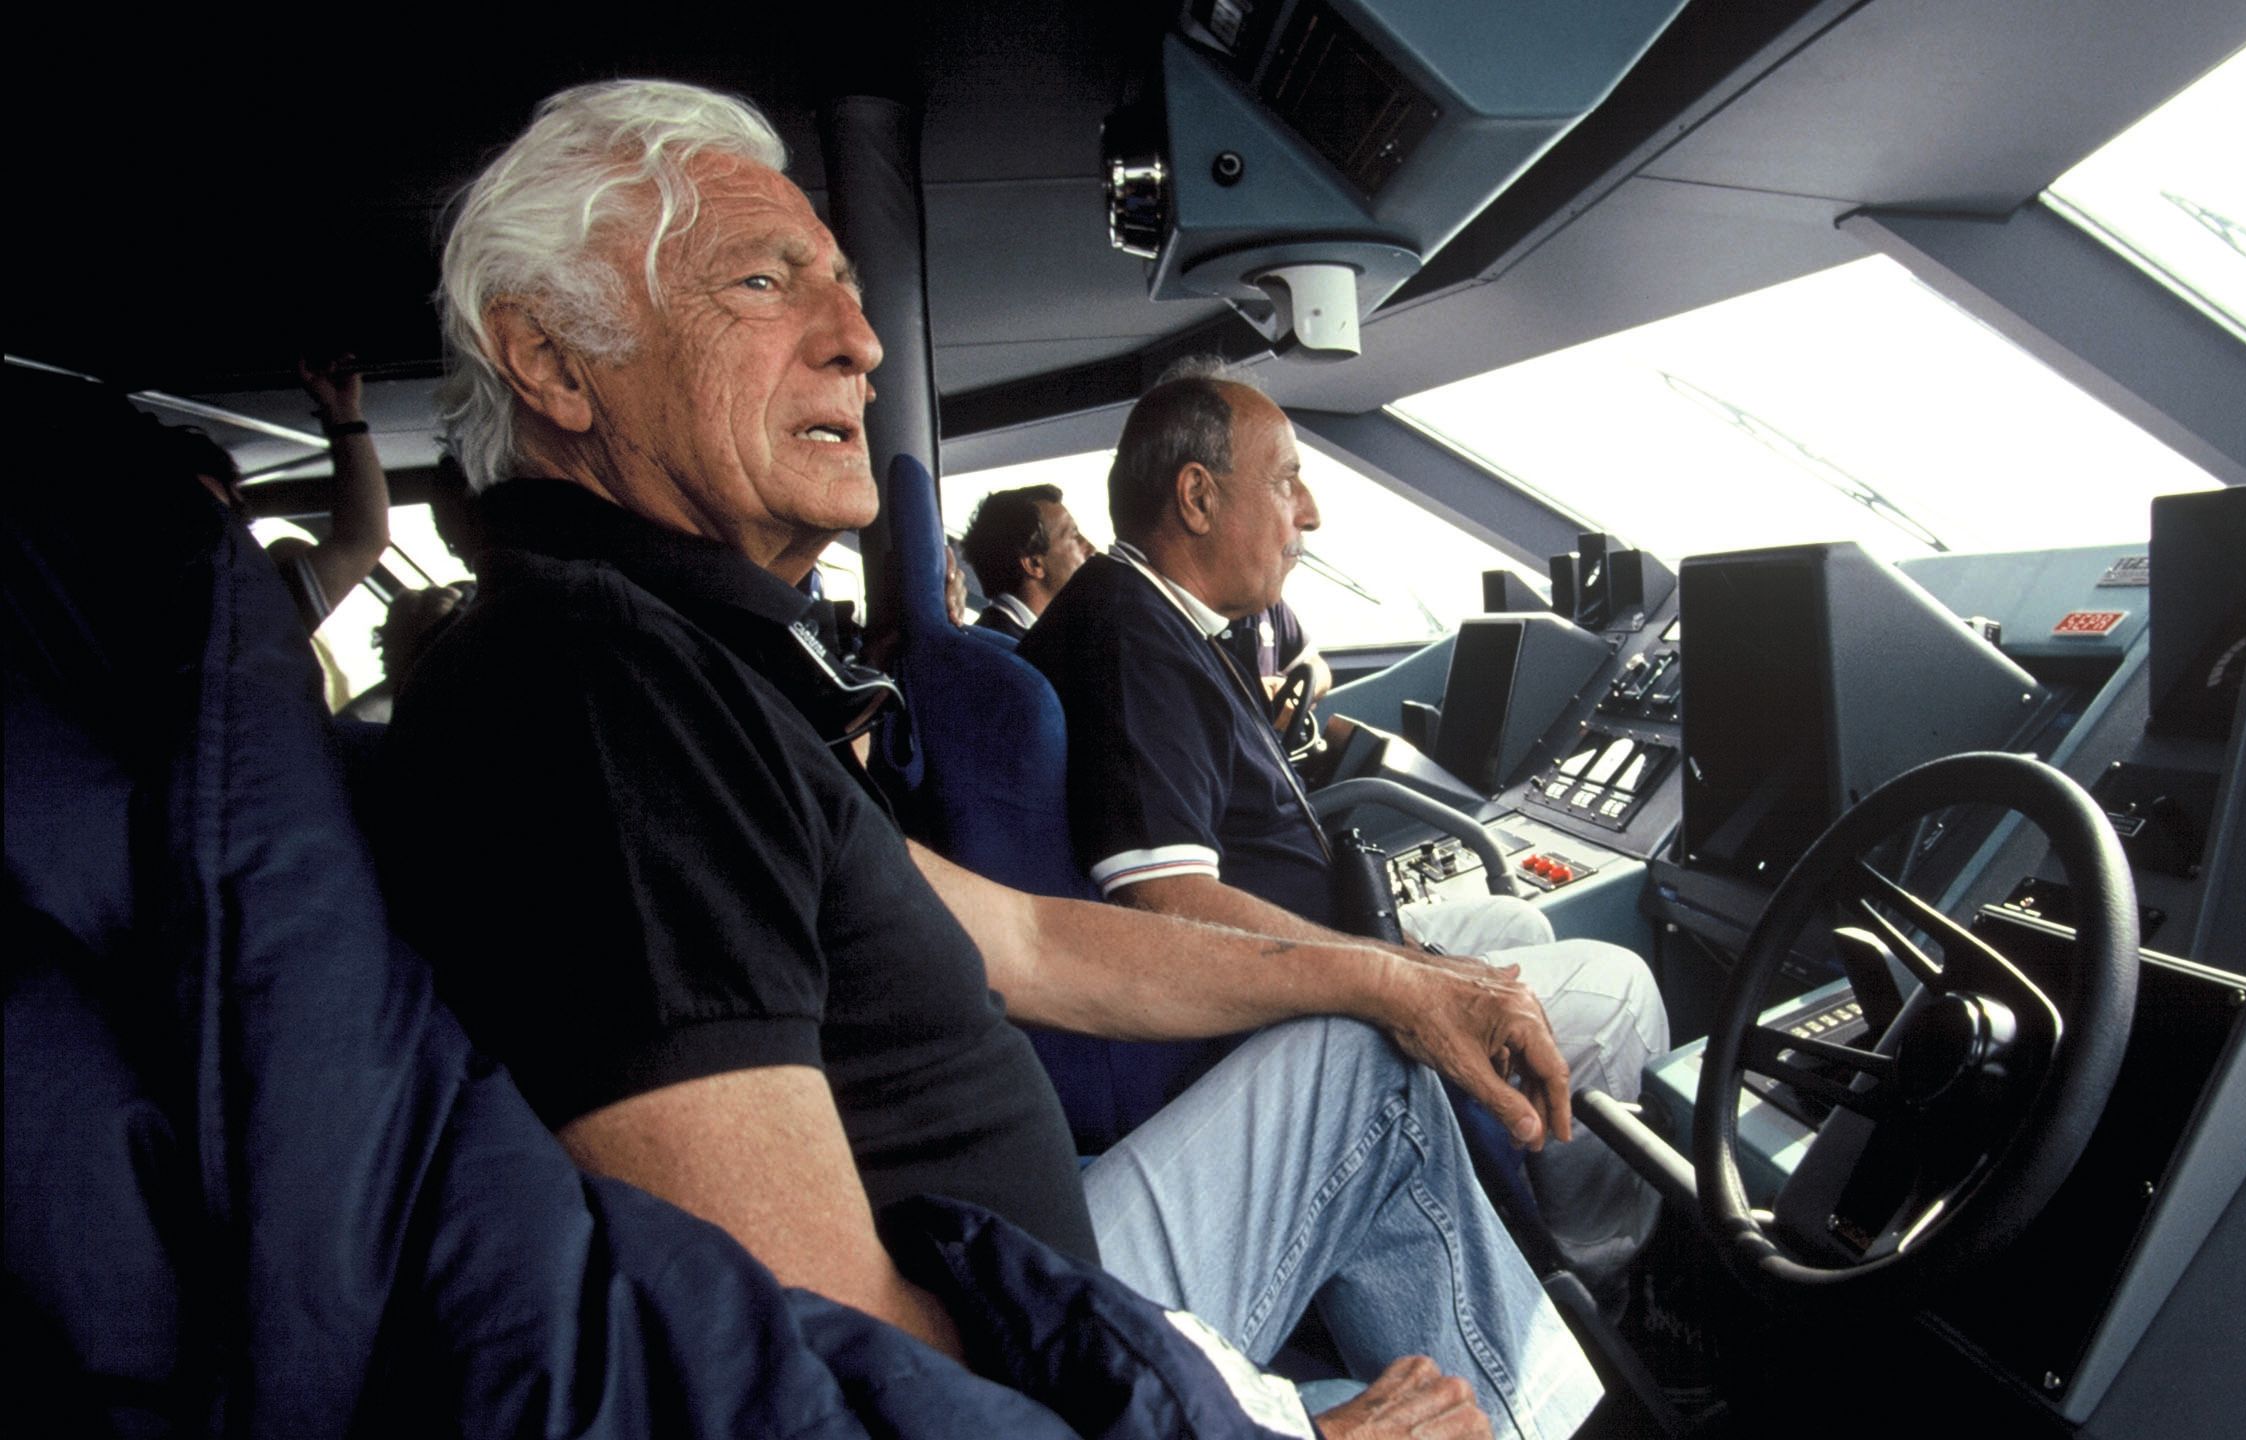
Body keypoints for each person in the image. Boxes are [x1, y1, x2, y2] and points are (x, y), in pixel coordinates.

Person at [379, 79, 1598, 1440]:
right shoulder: (598, 705)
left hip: (1029, 1303)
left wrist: (1392, 977)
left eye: (842, 289)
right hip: (1020, 1382)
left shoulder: (689, 674)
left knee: (1366, 1052)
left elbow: (1030, 944)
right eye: (763, 283)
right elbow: (809, 1365)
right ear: (551, 363)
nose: (857, 345)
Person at [1019, 363, 1669, 1279]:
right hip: (1266, 1008)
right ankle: (1595, 1260)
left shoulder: (1159, 620)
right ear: (1198, 498)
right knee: (1621, 987)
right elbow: (1166, 906)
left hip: (1310, 937)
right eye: (1287, 479)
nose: (1311, 512)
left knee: (1515, 921)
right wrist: (1393, 978)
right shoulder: (1129, 642)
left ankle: (1522, 1189)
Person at [169, 353, 393, 635]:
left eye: (207, 513)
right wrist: (343, 414)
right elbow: (363, 540)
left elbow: (363, 540)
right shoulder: (245, 613)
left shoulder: (245, 609)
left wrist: (343, 414)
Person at [958, 483, 1096, 640]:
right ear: (1033, 564)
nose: (1091, 549)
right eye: (1074, 535)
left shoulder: (992, 639)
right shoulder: (1020, 652)